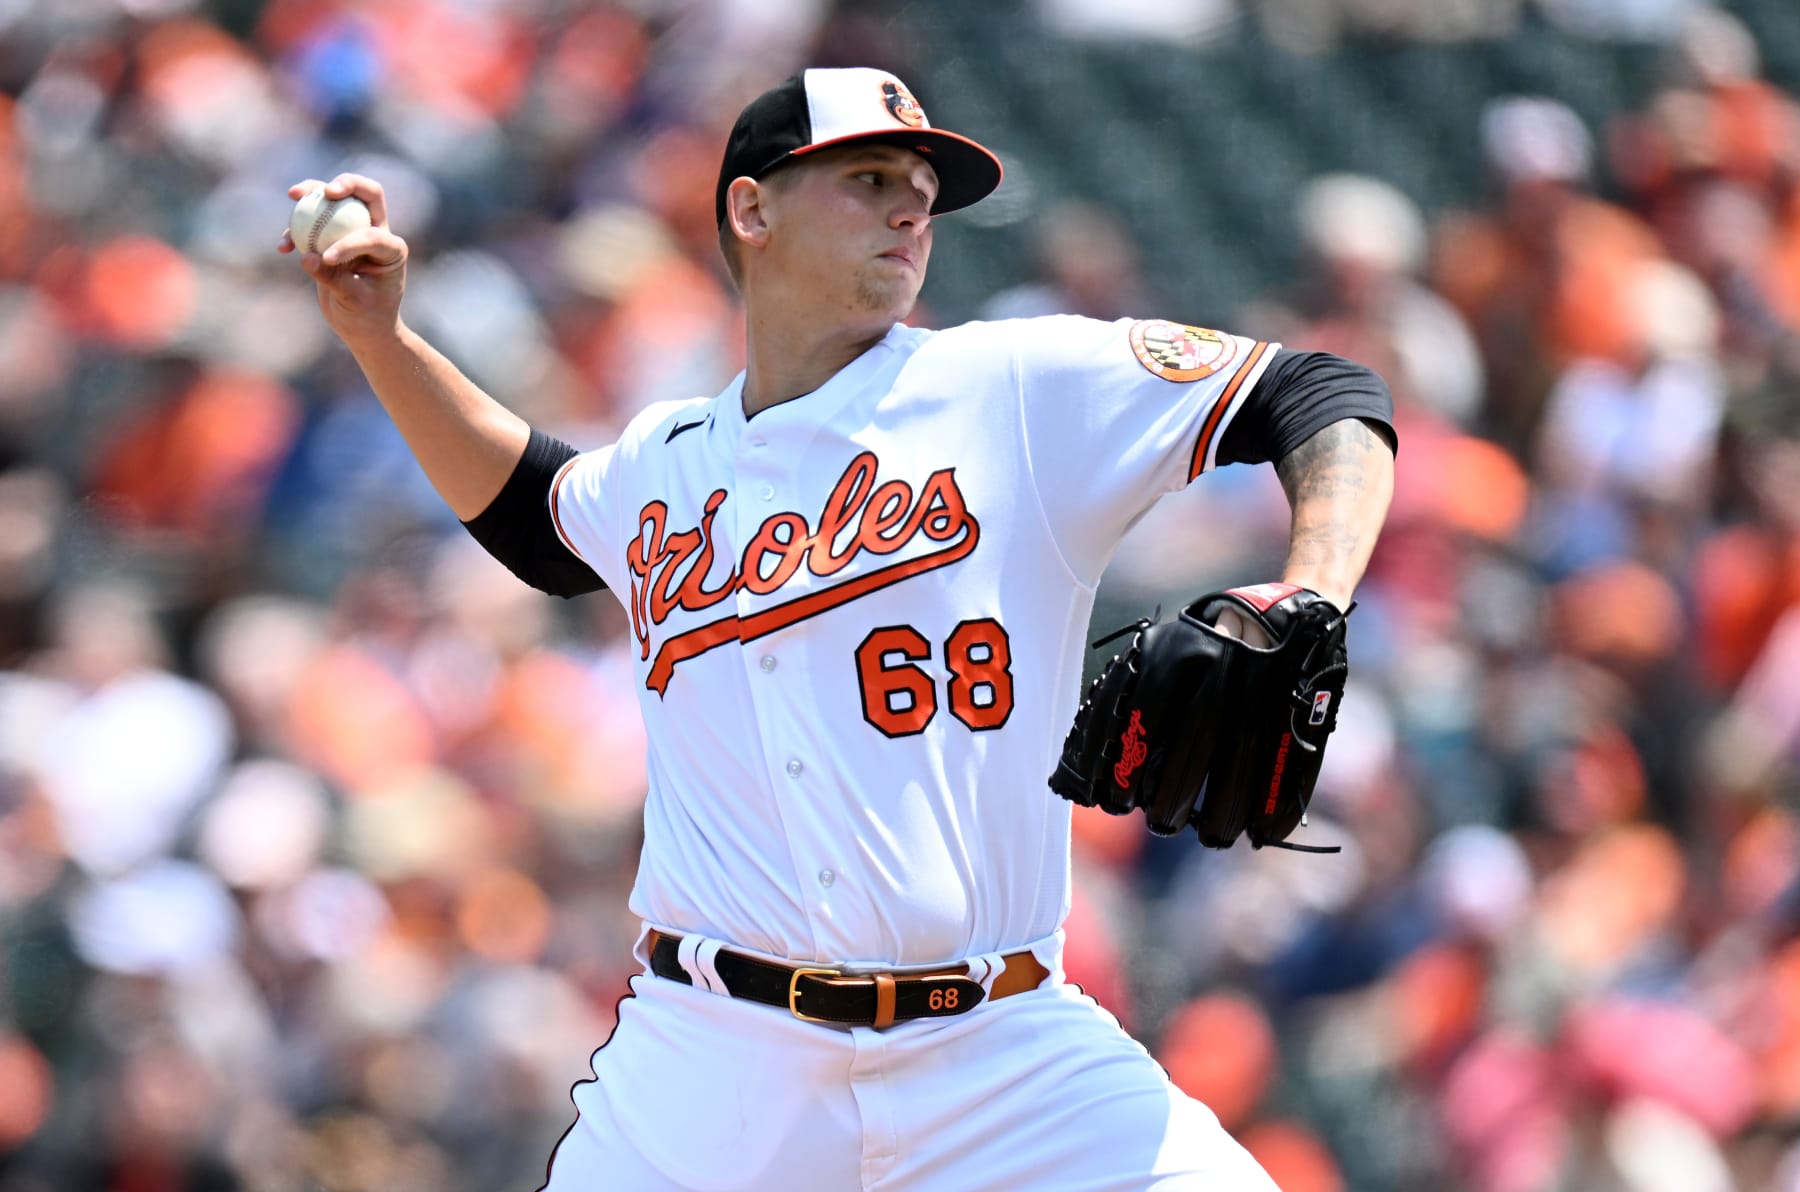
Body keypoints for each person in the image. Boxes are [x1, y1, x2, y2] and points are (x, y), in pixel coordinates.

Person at [282, 67, 1396, 1191]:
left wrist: (1312, 592)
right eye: (870, 179)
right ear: (752, 209)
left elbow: (1320, 392)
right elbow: (537, 518)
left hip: (999, 1051)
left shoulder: (1010, 382)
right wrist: (381, 338)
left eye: (922, 186)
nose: (913, 207)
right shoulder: (669, 461)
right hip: (712, 1069)